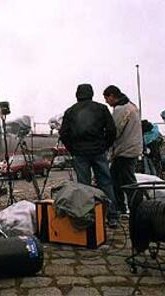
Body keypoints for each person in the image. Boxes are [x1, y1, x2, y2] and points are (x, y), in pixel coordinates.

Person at [59, 84, 119, 227]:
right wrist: (105, 146)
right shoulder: (101, 109)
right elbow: (111, 130)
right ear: (91, 93)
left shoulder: (70, 112)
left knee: (83, 187)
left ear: (77, 94)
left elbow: (63, 134)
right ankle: (112, 216)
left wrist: (72, 149)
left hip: (80, 153)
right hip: (98, 151)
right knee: (105, 183)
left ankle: (88, 216)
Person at [103, 85, 143, 214]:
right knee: (119, 179)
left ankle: (134, 207)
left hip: (125, 150)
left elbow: (114, 131)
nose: (106, 102)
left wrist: (104, 142)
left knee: (125, 181)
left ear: (112, 96)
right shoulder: (131, 106)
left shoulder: (121, 109)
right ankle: (126, 207)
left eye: (106, 98)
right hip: (131, 148)